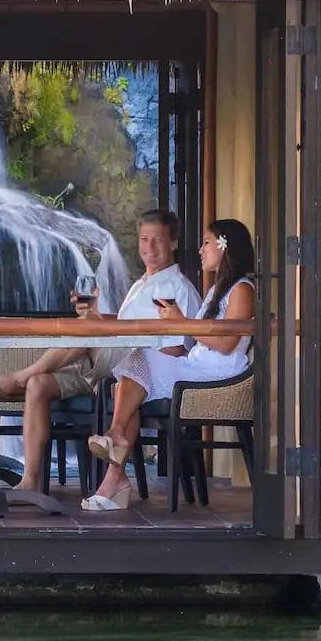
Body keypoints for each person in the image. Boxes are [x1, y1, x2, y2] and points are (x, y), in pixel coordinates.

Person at [0, 209, 204, 492]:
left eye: (157, 240)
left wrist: (130, 368)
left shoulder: (178, 288)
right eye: (144, 239)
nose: (149, 248)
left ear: (173, 243)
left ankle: (19, 377)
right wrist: (96, 315)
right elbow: (121, 327)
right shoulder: (140, 285)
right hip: (106, 368)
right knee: (39, 385)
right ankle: (30, 481)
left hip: (137, 371)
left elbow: (177, 351)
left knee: (86, 332)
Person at [80, 219, 257, 512]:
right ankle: (115, 461)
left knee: (139, 361)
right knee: (133, 369)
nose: (200, 249)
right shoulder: (217, 290)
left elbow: (226, 344)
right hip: (197, 365)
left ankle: (115, 442)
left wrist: (181, 323)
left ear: (225, 246)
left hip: (219, 373)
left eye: (207, 242)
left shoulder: (242, 289)